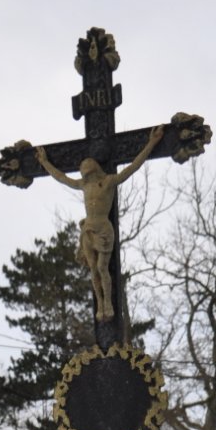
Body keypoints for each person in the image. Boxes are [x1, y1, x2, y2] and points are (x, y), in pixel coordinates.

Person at [35, 125, 165, 320]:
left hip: (103, 229)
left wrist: (152, 142)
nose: (85, 172)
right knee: (93, 269)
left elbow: (133, 167)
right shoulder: (83, 185)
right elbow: (61, 177)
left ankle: (108, 303)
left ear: (95, 168)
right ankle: (100, 305)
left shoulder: (109, 181)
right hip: (88, 230)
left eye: (88, 169)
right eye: (83, 170)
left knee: (102, 268)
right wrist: (45, 162)